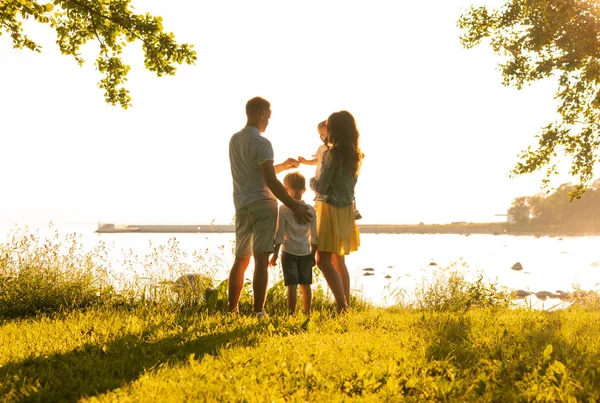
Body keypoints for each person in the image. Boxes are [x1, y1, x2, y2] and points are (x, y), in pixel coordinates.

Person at [228, 97, 313, 317]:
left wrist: (284, 166)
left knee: (241, 258)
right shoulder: (262, 143)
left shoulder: (235, 140)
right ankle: (258, 312)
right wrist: (294, 206)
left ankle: (232, 310)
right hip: (263, 205)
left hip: (241, 204)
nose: (268, 122)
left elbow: (257, 172)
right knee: (261, 259)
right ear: (261, 114)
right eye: (268, 117)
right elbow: (270, 181)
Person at [310, 111, 364, 313]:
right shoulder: (356, 154)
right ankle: (346, 304)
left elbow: (322, 187)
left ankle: (342, 305)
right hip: (346, 211)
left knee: (322, 261)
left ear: (335, 130)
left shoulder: (332, 154)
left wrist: (311, 182)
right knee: (338, 260)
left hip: (330, 209)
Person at [269, 172, 317, 315]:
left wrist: (275, 254)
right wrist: (313, 254)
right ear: (304, 189)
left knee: (292, 286)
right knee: (306, 284)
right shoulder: (311, 209)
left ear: (286, 189)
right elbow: (315, 236)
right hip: (305, 252)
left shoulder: (283, 209)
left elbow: (280, 234)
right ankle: (307, 312)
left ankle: (292, 314)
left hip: (288, 252)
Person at [299, 120, 362, 220]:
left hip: (325, 182)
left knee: (322, 192)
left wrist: (312, 182)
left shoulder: (333, 151)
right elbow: (317, 160)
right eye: (319, 135)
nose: (321, 137)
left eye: (323, 134)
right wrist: (306, 162)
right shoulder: (327, 149)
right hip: (326, 180)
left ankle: (353, 210)